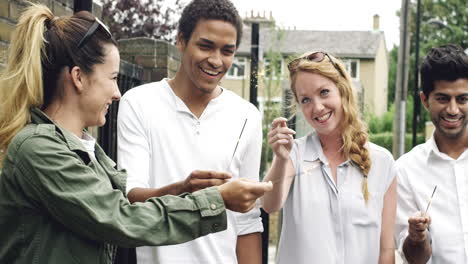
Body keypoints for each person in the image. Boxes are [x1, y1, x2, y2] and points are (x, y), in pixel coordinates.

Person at [0, 4, 273, 263]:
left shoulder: (87, 150)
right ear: (78, 77)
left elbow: (125, 202)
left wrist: (183, 189)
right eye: (112, 78)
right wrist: (218, 200)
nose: (117, 92)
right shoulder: (39, 150)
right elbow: (122, 218)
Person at [116, 0, 264, 263]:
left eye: (227, 51)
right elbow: (130, 201)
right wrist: (184, 189)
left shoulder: (247, 116)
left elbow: (247, 220)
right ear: (181, 41)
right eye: (205, 46)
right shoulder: (138, 102)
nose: (216, 60)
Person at [262, 51, 397, 263]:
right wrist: (280, 157)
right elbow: (269, 204)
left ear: (343, 91)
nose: (317, 107)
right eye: (305, 99)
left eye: (324, 92)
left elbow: (386, 250)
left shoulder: (383, 162)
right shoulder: (294, 153)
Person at [395, 44, 468, 263]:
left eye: (462, 99)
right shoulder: (405, 171)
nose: (453, 110)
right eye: (443, 98)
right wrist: (416, 238)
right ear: (425, 100)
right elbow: (413, 259)